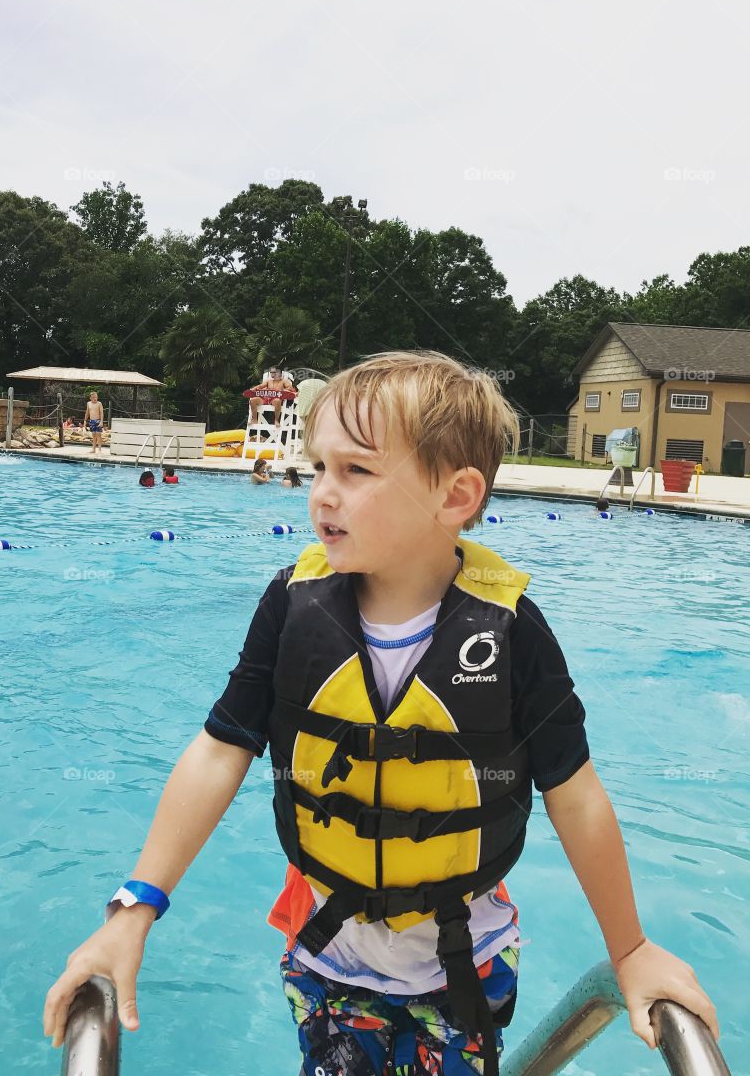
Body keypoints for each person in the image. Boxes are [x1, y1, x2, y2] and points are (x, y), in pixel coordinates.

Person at [43, 351, 717, 1075]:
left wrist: (630, 950)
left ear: (456, 496)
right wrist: (135, 907)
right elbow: (219, 749)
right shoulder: (291, 608)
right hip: (327, 958)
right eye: (320, 467)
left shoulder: (511, 632)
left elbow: (575, 794)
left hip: (464, 967)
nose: (322, 495)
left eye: (356, 472)